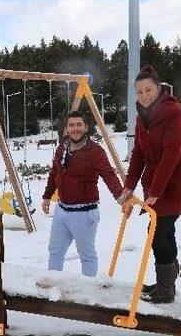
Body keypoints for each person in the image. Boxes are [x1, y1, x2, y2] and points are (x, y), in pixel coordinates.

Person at [117, 65, 181, 304]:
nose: (144, 95)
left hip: (173, 186)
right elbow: (139, 154)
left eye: (148, 90)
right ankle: (166, 281)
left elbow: (171, 156)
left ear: (159, 88)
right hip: (157, 186)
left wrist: (156, 192)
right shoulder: (142, 118)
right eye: (139, 92)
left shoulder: (174, 115)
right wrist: (129, 185)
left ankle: (166, 288)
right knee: (164, 232)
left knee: (158, 233)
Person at [41, 110, 126, 277]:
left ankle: (88, 294)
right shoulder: (62, 147)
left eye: (79, 125)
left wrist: (121, 197)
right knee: (55, 252)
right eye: (71, 125)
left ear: (86, 127)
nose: (75, 128)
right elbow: (54, 173)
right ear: (67, 128)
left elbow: (108, 174)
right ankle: (53, 287)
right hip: (61, 211)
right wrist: (47, 196)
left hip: (84, 213)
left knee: (86, 256)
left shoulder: (95, 151)